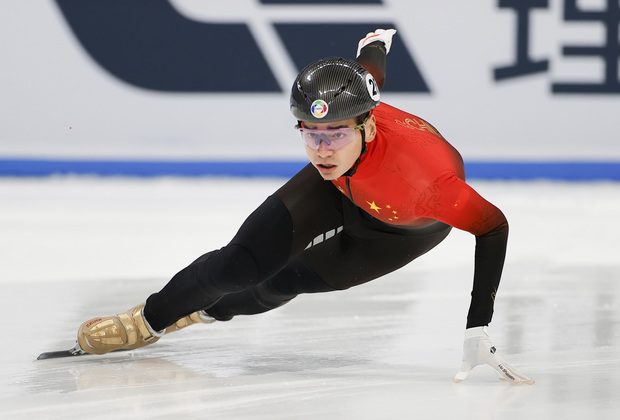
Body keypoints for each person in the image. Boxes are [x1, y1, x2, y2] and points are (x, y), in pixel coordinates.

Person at [75, 29, 533, 385]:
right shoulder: (347, 120)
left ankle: (206, 311)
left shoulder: (428, 183)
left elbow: (493, 227)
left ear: (368, 128)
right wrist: (376, 42)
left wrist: (478, 327)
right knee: (240, 264)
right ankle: (148, 319)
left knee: (279, 283)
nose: (322, 150)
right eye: (311, 135)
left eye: (335, 135)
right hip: (336, 191)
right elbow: (369, 68)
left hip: (397, 231)